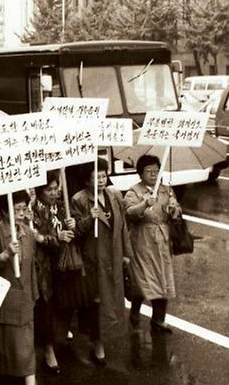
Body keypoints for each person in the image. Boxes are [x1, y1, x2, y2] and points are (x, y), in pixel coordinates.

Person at [0, 190, 47, 385]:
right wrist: (4, 255)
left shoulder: (28, 233)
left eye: (23, 209)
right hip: (3, 296)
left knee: (27, 342)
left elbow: (31, 268)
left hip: (26, 295)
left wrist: (35, 291)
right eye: (15, 209)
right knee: (0, 343)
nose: (21, 213)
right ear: (2, 212)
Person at [71, 160, 133, 361]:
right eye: (96, 177)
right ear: (87, 180)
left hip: (113, 256)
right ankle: (97, 343)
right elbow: (75, 231)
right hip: (93, 259)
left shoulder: (114, 195)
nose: (100, 180)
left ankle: (108, 334)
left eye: (103, 176)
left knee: (112, 298)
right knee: (96, 302)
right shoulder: (79, 199)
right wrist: (90, 218)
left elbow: (122, 225)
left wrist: (126, 253)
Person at [123, 155, 181, 334]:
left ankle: (159, 319)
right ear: (141, 173)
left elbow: (177, 213)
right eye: (149, 171)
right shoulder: (133, 191)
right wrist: (144, 204)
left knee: (163, 280)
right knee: (143, 280)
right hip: (143, 241)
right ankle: (135, 309)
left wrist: (174, 209)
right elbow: (129, 212)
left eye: (156, 171)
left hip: (162, 241)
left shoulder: (167, 190)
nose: (154, 174)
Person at [30, 171, 76, 372]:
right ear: (40, 191)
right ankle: (49, 350)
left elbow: (73, 229)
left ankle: (61, 333)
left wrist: (73, 225)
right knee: (45, 308)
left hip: (64, 263)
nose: (54, 192)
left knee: (65, 302)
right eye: (49, 189)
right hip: (43, 266)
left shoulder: (61, 206)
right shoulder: (33, 211)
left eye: (56, 188)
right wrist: (56, 238)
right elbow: (38, 238)